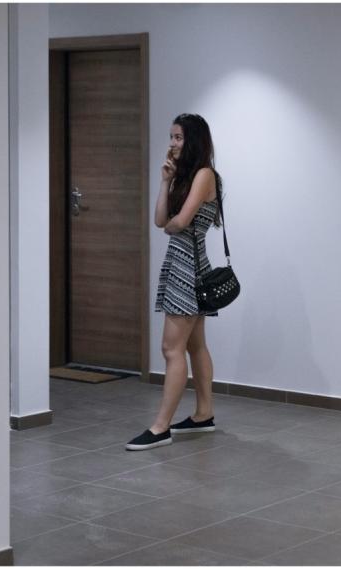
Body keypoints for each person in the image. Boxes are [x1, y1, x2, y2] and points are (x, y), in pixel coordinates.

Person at [126, 113, 223, 450]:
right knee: (194, 345)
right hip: (184, 264)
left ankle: (160, 427)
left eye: (178, 137)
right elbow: (160, 220)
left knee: (171, 348)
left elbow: (179, 222)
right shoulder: (184, 176)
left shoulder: (205, 174)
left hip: (188, 266)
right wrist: (165, 181)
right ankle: (204, 414)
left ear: (193, 140)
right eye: (171, 137)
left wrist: (173, 224)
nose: (172, 143)